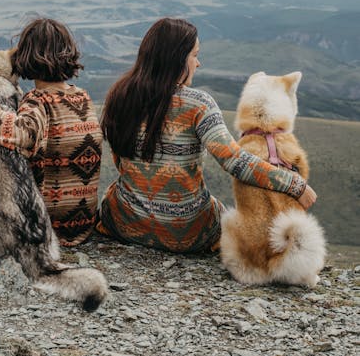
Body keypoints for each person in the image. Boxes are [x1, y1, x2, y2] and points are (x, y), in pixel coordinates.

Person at [97, 17, 317, 253]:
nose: (198, 63)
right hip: (187, 233)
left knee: (114, 194)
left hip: (125, 224)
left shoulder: (119, 95)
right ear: (177, 58)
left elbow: (121, 161)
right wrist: (295, 185)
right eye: (194, 55)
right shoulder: (199, 104)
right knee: (225, 215)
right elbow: (234, 161)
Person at [0, 18, 102, 246]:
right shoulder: (82, 97)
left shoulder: (38, 101)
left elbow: (22, 134)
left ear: (25, 56)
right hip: (82, 224)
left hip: (47, 227)